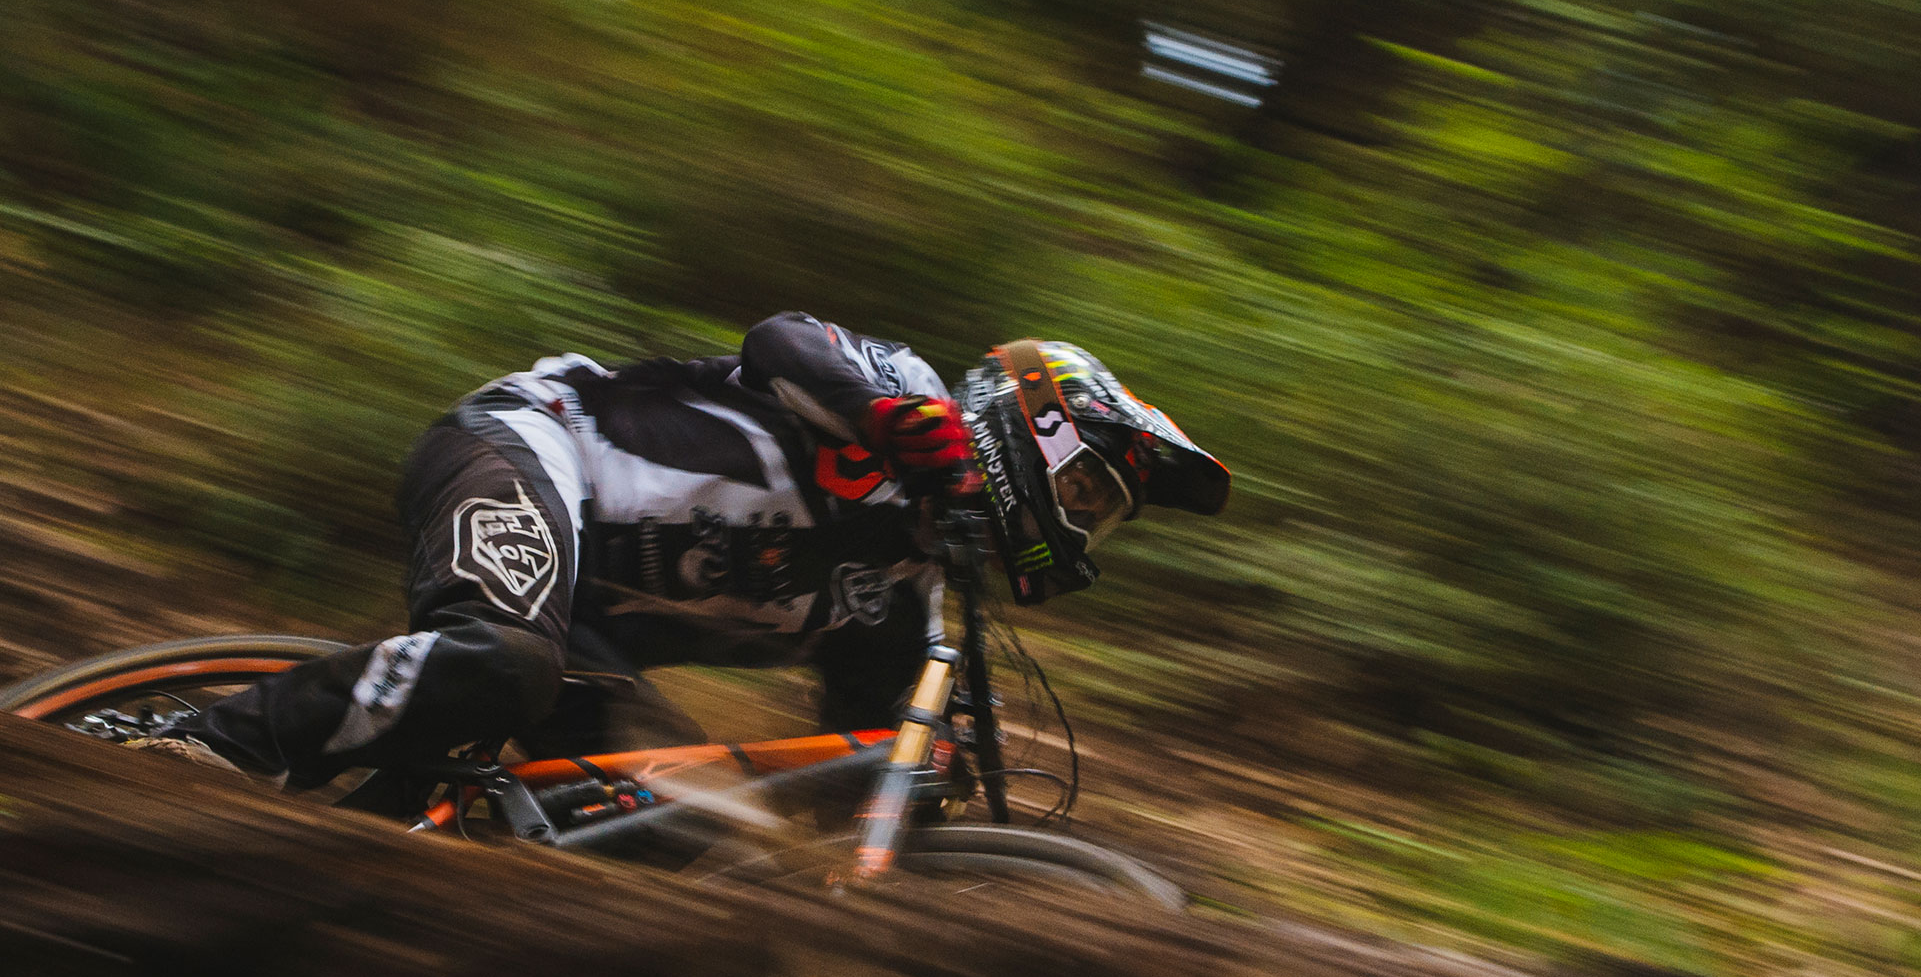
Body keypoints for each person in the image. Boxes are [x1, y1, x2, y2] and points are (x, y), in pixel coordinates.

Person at [137, 312, 1229, 786]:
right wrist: (906, 428)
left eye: (1102, 515)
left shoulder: (897, 600)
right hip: (529, 445)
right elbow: (782, 342)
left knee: (668, 828)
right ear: (1035, 429)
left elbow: (849, 766)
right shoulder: (906, 394)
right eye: (1088, 490)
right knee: (502, 659)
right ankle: (187, 746)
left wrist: (914, 778)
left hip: (587, 626)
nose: (1083, 521)